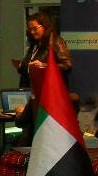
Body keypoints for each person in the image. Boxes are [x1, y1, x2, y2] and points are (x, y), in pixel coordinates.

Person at [15, 11, 73, 143]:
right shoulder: (35, 45)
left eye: (35, 28)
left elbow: (67, 65)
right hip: (34, 94)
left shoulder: (56, 42)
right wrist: (22, 66)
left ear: (44, 26)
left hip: (49, 97)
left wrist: (44, 66)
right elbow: (30, 66)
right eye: (30, 29)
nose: (32, 32)